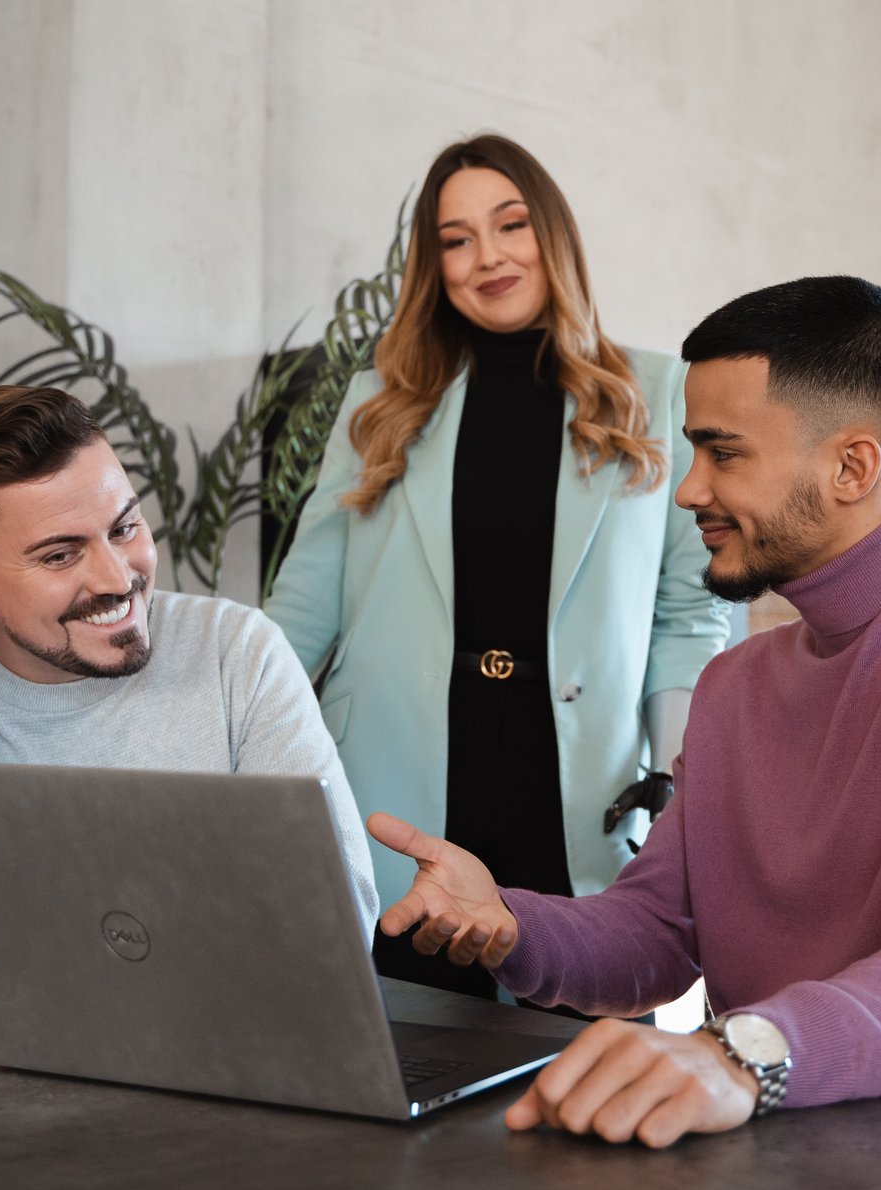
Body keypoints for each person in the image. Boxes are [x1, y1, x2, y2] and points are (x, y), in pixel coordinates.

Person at [367, 275, 881, 1144]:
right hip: (769, 1136)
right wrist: (510, 921)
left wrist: (747, 1054)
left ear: (852, 467)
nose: (689, 490)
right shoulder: (736, 682)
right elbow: (657, 932)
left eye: (723, 454)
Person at [264, 134, 730, 1004]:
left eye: (510, 225)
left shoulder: (659, 391)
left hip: (580, 784)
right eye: (457, 239)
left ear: (553, 234)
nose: (488, 257)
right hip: (396, 779)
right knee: (405, 1038)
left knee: (582, 1040)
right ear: (435, 265)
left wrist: (680, 776)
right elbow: (304, 603)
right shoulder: (381, 401)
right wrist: (230, 752)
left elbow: (687, 614)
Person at [0, 385, 378, 993]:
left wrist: (23, 928)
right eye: (60, 556)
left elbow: (334, 932)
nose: (117, 578)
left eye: (125, 527)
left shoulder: (238, 653)